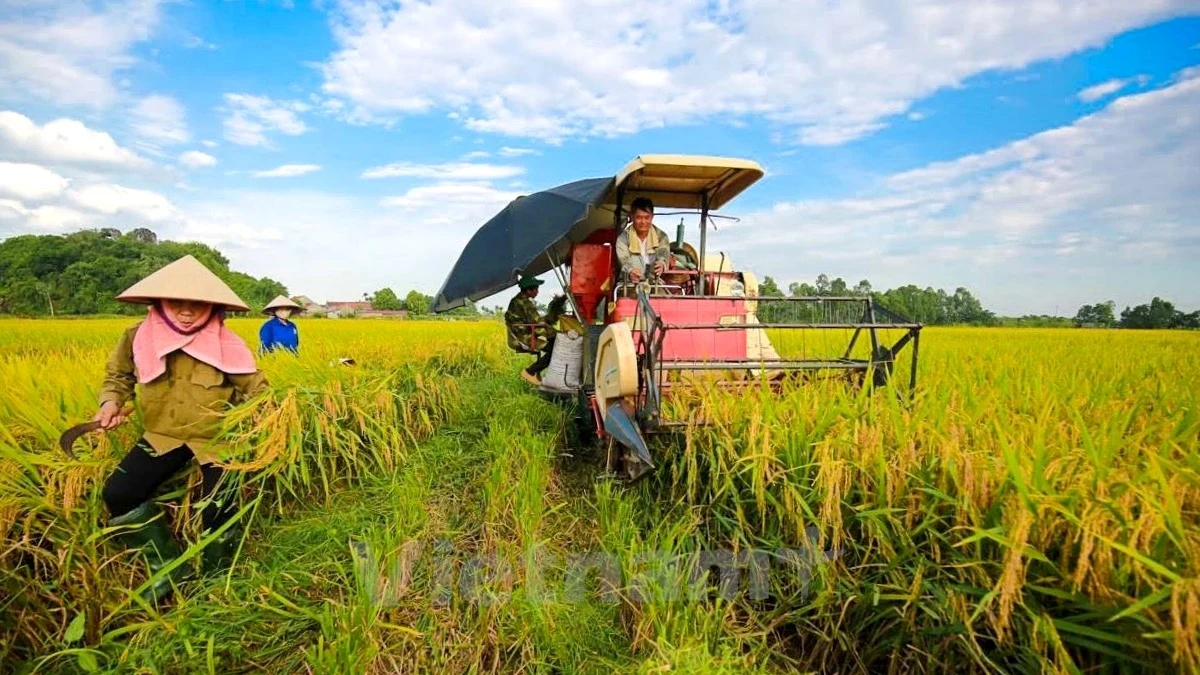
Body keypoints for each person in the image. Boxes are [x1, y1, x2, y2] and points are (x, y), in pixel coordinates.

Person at [95, 255, 269, 602]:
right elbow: (118, 378)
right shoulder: (137, 338)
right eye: (177, 303)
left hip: (216, 439)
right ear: (159, 302)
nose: (187, 312)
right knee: (118, 493)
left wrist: (272, 422)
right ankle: (170, 569)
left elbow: (258, 390)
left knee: (220, 505)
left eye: (197, 304)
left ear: (211, 308)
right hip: (163, 435)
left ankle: (217, 581)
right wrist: (110, 403)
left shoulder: (227, 344)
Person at [504, 275, 565, 385]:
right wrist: (558, 333)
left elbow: (537, 321)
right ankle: (530, 372)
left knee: (553, 342)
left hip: (519, 335)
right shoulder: (525, 303)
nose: (537, 292)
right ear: (528, 290)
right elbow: (538, 323)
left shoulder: (517, 300)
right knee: (555, 350)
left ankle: (546, 376)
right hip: (524, 337)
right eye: (536, 289)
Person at [615, 197, 670, 283]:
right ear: (632, 217)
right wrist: (630, 271)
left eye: (647, 217)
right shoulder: (623, 238)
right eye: (639, 217)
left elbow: (664, 254)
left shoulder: (661, 236)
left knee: (666, 296)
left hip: (653, 283)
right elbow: (623, 261)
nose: (643, 222)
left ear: (652, 217)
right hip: (628, 283)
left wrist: (662, 264)